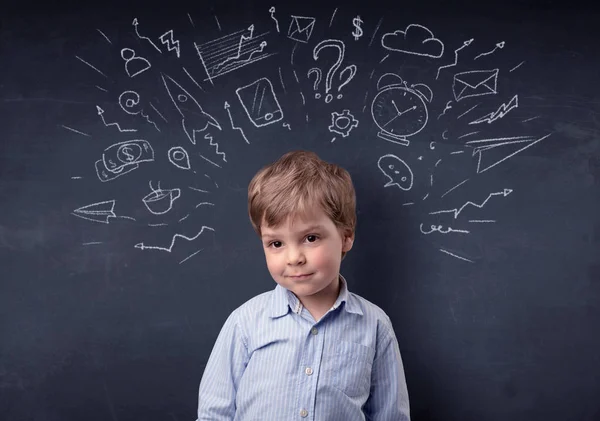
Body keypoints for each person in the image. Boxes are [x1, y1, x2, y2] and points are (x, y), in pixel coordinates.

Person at [197, 150, 410, 420]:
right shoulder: (245, 322)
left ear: (346, 237)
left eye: (310, 238)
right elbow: (214, 414)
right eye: (276, 243)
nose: (294, 258)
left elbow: (390, 415)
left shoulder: (374, 325)